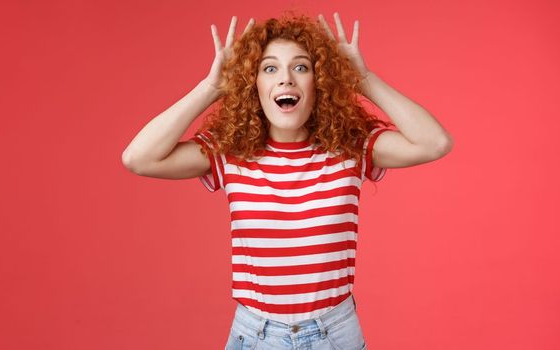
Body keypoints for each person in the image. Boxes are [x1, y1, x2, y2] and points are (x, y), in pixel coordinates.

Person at [122, 12, 453, 350]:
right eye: (269, 68)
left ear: (319, 81)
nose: (285, 80)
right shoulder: (230, 152)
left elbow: (434, 142)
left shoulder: (350, 146)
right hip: (254, 335)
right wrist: (209, 90)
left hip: (335, 334)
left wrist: (364, 79)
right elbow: (139, 158)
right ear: (254, 83)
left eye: (300, 67)